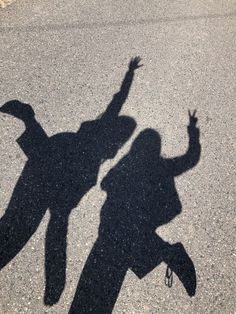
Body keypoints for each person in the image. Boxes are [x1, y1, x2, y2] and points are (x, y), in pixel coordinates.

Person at [0, 57, 142, 305]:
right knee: (19, 225)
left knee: (17, 220)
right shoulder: (94, 164)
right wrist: (55, 279)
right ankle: (28, 118)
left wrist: (130, 73)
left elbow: (119, 99)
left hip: (54, 149)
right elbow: (58, 223)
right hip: (53, 161)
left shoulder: (103, 131)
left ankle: (28, 117)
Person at [69, 111, 201, 314]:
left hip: (111, 234)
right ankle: (167, 252)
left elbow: (105, 184)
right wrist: (192, 131)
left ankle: (168, 252)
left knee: (96, 287)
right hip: (123, 233)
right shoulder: (161, 166)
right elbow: (190, 159)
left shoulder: (128, 164)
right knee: (103, 286)